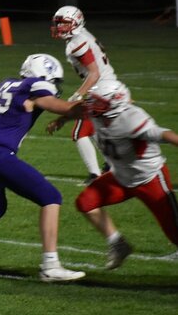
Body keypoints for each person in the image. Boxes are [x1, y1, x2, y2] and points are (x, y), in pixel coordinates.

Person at [0, 54, 86, 282]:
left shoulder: (8, 83)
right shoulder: (33, 85)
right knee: (52, 197)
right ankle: (50, 265)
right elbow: (58, 106)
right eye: (53, 81)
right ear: (43, 76)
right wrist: (86, 106)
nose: (54, 87)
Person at [75, 80, 178, 268]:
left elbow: (163, 134)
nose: (92, 105)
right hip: (120, 178)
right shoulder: (98, 113)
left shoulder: (131, 119)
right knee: (85, 203)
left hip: (149, 179)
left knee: (175, 233)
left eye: (98, 102)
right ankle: (118, 244)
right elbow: (80, 108)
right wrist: (61, 119)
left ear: (115, 103)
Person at [47, 6, 114, 184]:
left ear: (76, 22)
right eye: (58, 23)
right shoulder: (82, 36)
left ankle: (95, 176)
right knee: (95, 130)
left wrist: (78, 95)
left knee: (80, 132)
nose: (60, 27)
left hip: (102, 89)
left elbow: (94, 73)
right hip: (107, 87)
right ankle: (110, 166)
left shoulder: (77, 42)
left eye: (64, 23)